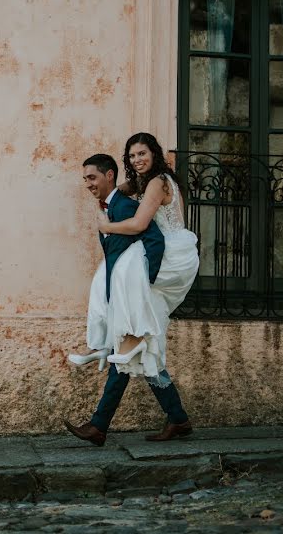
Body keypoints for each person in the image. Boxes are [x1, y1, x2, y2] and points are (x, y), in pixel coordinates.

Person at [63, 153, 175, 447]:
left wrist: (143, 284)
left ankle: (99, 425)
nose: (88, 184)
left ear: (109, 175)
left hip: (135, 296)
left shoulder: (124, 205)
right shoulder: (110, 206)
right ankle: (177, 417)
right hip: (122, 295)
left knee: (130, 355)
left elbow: (155, 240)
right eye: (85, 179)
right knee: (138, 356)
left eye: (92, 177)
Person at [98, 132, 199, 441]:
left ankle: (98, 424)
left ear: (154, 153)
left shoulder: (157, 182)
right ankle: (177, 418)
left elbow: (140, 224)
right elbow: (117, 193)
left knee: (134, 336)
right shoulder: (146, 181)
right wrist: (105, 195)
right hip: (162, 255)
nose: (137, 160)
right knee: (143, 340)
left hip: (166, 257)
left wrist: (106, 225)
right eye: (131, 156)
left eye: (142, 153)